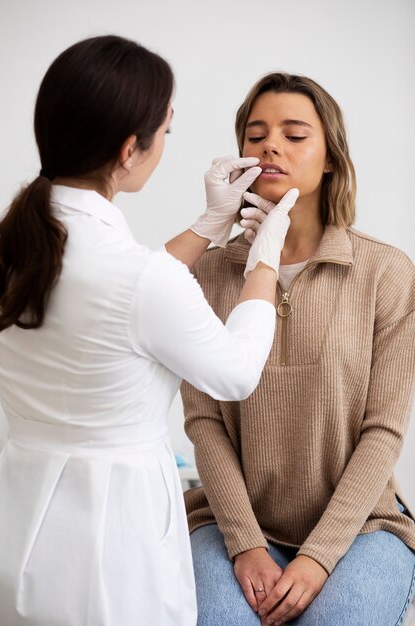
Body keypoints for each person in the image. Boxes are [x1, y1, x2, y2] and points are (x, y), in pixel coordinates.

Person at [0, 39, 299, 626]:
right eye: (165, 130)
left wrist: (208, 226)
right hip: (111, 546)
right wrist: (265, 259)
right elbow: (234, 373)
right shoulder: (139, 277)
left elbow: (113, 299)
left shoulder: (14, 248)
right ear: (129, 148)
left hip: (18, 516)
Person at [181, 72, 415, 626]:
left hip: (360, 526)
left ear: (330, 156)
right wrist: (245, 544)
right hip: (231, 523)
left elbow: (383, 430)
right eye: (256, 134)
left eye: (294, 134)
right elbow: (204, 421)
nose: (270, 146)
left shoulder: (386, 272)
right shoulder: (207, 273)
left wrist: (318, 557)